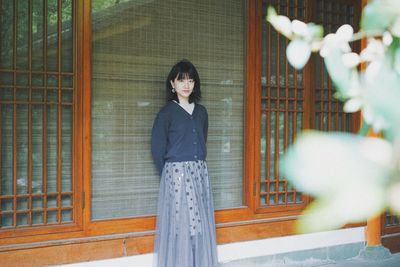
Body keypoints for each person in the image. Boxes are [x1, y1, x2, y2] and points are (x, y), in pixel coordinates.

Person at [151, 59, 218, 267]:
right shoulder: (166, 113)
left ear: (195, 84)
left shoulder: (201, 112)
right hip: (177, 175)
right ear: (172, 84)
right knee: (181, 224)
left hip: (199, 173)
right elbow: (157, 149)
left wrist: (194, 166)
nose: (186, 85)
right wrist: (173, 174)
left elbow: (201, 139)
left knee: (199, 224)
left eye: (190, 80)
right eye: (181, 80)